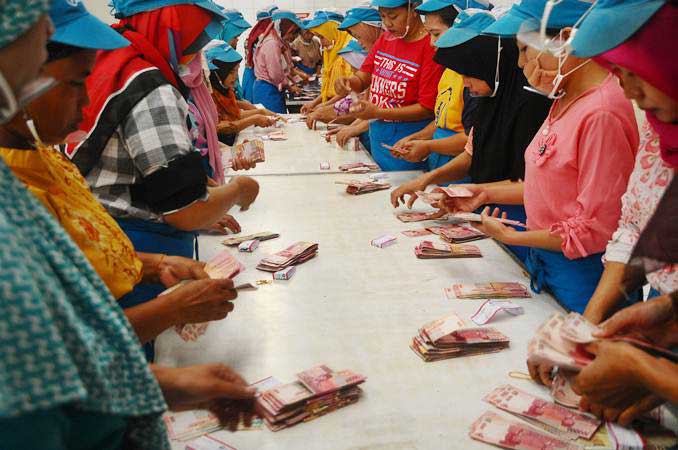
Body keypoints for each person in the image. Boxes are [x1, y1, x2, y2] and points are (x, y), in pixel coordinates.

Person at [0, 2, 257, 448]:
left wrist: (162, 383)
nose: (85, 107)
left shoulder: (38, 159)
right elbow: (36, 383)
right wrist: (172, 312)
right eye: (77, 82)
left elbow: (68, 354)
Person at [65, 1, 260, 347]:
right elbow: (186, 212)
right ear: (172, 22)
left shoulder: (111, 64)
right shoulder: (149, 86)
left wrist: (194, 189)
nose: (195, 46)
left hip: (108, 245)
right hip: (138, 254)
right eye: (193, 32)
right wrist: (239, 189)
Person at [440, 1, 639, 313]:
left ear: (566, 39)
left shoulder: (602, 113)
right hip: (551, 261)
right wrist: (484, 193)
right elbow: (552, 186)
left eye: (525, 50)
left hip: (584, 276)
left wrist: (516, 236)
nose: (520, 64)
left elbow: (597, 228)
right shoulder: (565, 97)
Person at [563, 0, 678, 425]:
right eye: (619, 74)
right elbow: (637, 220)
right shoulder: (662, 131)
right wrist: (670, 314)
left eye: (636, 72)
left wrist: (642, 368)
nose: (628, 92)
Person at [390, 9, 551, 264]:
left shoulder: (531, 105)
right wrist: (429, 179)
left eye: (468, 75)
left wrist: (475, 192)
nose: (465, 83)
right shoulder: (487, 97)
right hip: (486, 211)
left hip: (518, 219)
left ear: (487, 64)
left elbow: (534, 185)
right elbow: (471, 153)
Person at [334, 0, 445, 171]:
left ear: (414, 9)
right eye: (382, 16)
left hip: (407, 139)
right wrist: (349, 83)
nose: (387, 23)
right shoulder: (387, 38)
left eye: (393, 16)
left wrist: (379, 112)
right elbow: (364, 76)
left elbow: (427, 108)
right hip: (378, 133)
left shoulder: (430, 48)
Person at [390, 0, 483, 172]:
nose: (431, 43)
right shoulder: (448, 70)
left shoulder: (476, 82)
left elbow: (473, 137)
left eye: (436, 34)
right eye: (428, 34)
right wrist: (417, 137)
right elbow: (442, 119)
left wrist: (429, 146)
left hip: (459, 169)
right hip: (439, 162)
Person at [324, 4, 385, 151]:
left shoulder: (386, 59)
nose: (358, 41)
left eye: (358, 36)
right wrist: (350, 128)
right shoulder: (376, 60)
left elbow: (380, 109)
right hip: (377, 134)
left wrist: (352, 128)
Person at [206, 44, 277, 145]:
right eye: (231, 72)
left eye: (236, 71)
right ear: (219, 73)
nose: (235, 76)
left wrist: (261, 112)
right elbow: (220, 127)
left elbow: (235, 115)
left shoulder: (226, 91)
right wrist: (254, 118)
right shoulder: (210, 96)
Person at [252, 9, 304, 113]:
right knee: (272, 124)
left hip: (273, 88)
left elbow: (285, 68)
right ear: (284, 29)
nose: (293, 38)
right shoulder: (272, 44)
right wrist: (290, 86)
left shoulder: (279, 42)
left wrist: (295, 80)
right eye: (292, 33)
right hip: (267, 90)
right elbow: (275, 74)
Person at [301, 10, 353, 113]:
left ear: (332, 31)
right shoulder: (330, 51)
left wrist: (324, 107)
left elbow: (348, 91)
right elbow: (328, 89)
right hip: (333, 106)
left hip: (345, 108)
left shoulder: (349, 50)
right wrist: (314, 103)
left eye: (321, 37)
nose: (321, 42)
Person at [243, 5, 279, 103]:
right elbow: (270, 64)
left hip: (252, 75)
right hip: (256, 76)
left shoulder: (253, 34)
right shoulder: (263, 37)